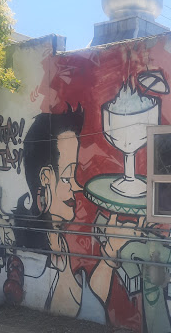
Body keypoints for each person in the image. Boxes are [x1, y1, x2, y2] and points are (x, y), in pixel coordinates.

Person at [8, 106, 104, 321]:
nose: (77, 188)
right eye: (68, 177)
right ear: (45, 177)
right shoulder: (31, 253)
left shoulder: (58, 244)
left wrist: (109, 258)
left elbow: (87, 304)